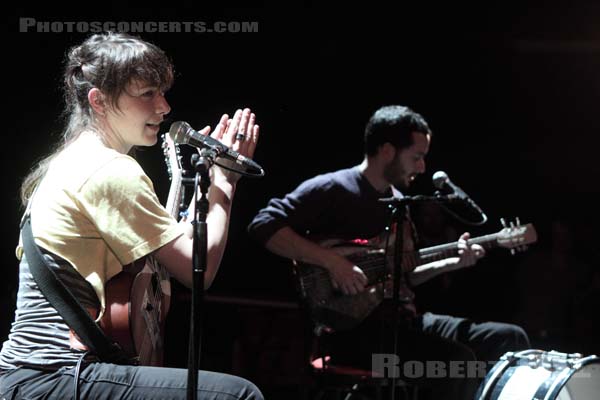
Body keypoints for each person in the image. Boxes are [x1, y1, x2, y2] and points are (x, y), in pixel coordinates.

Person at [0, 32, 263, 400]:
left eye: (162, 92)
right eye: (147, 94)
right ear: (100, 101)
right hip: (53, 374)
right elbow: (197, 268)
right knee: (240, 396)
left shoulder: (72, 160)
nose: (164, 107)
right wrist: (224, 182)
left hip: (31, 376)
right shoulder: (109, 170)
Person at [248, 105, 530, 399]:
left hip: (401, 322)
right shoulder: (334, 188)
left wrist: (452, 262)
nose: (422, 168)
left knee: (507, 337)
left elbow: (404, 273)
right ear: (386, 150)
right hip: (352, 336)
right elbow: (263, 225)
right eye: (416, 157)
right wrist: (332, 262)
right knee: (456, 364)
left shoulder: (399, 202)